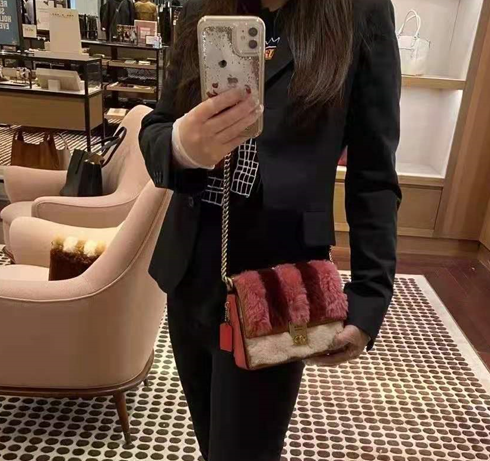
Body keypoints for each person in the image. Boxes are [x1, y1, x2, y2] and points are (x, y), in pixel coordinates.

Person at [139, 0, 401, 460]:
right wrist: (183, 146)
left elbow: (373, 174)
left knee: (247, 450)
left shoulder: (359, 11)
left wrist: (369, 295)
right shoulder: (204, 8)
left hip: (280, 282)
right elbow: (157, 128)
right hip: (192, 269)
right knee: (212, 441)